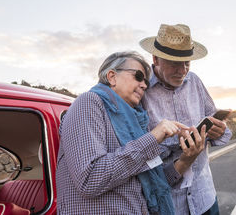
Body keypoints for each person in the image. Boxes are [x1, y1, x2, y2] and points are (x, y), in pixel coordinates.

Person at [56, 51, 206, 215]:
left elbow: (155, 182)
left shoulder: (136, 123)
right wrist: (153, 137)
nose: (144, 85)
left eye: (146, 82)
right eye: (138, 76)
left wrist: (187, 159)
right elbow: (90, 179)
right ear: (112, 76)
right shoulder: (88, 103)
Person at [140, 24, 232, 215]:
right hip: (170, 205)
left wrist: (220, 130)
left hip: (205, 197)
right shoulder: (140, 91)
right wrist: (177, 145)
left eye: (187, 63)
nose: (182, 71)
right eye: (174, 63)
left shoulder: (195, 81)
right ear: (155, 59)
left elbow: (218, 126)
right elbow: (138, 151)